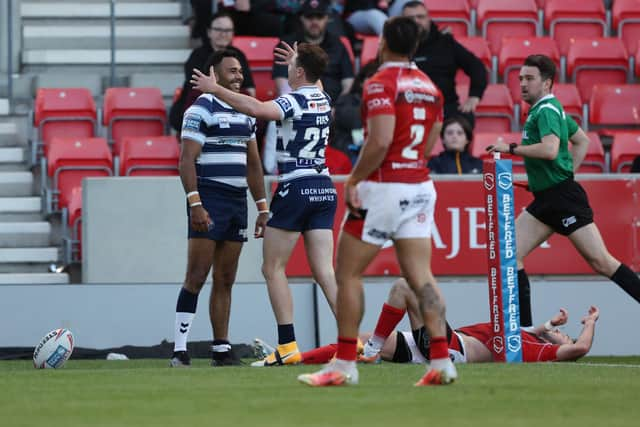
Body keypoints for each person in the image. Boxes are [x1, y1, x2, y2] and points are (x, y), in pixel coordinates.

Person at [297, 16, 456, 387]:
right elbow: (432, 137)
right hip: (419, 185)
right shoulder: (430, 87)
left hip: (385, 187)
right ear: (415, 47)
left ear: (383, 41)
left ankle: (345, 364)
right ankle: (442, 360)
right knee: (421, 277)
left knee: (348, 273)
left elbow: (381, 141)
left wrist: (355, 177)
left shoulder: (381, 82)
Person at [191, 42, 339, 366]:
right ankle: (353, 339)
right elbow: (316, 82)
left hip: (296, 186)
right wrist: (304, 63)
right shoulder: (322, 98)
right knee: (325, 270)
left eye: (292, 66)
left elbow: (257, 109)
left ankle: (287, 345)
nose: (287, 70)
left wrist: (214, 88)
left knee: (272, 268)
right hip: (325, 187)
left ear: (299, 71)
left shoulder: (294, 100)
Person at [487, 54, 640, 328]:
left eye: (529, 78)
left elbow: (548, 149)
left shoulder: (546, 110)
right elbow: (581, 141)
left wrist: (509, 148)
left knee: (602, 263)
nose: (522, 83)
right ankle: (525, 335)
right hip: (548, 199)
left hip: (563, 199)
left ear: (546, 83)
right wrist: (561, 175)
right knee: (509, 254)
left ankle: (525, 334)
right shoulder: (549, 108)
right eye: (520, 78)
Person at [170, 50, 268, 367]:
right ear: (214, 73)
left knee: (226, 278)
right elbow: (186, 160)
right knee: (197, 276)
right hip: (209, 197)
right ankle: (180, 350)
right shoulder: (200, 109)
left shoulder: (246, 112)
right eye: (232, 71)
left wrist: (262, 207)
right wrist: (195, 203)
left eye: (241, 71)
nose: (239, 76)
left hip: (237, 201)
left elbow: (254, 165)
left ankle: (221, 348)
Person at [285, 279, 600, 365]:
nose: (562, 333)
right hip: (436, 345)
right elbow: (529, 330)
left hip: (449, 348)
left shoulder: (530, 351)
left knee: (404, 287)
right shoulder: (524, 335)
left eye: (564, 335)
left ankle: (374, 349)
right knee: (354, 342)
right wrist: (546, 325)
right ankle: (295, 359)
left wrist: (589, 323)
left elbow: (579, 349)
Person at [401, 1, 487, 128]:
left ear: (428, 19)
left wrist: (474, 96)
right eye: (410, 18)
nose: (416, 21)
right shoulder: (395, 46)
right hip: (407, 108)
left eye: (420, 17)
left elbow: (476, 67)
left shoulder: (446, 43)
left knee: (462, 123)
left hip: (445, 108)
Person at [170, 12, 256, 132]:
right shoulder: (197, 56)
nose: (223, 34)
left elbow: (249, 88)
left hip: (234, 105)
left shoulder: (239, 55)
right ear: (209, 32)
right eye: (218, 29)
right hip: (203, 105)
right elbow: (198, 89)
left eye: (227, 30)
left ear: (232, 33)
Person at [272, 0, 354, 102]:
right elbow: (281, 82)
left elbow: (348, 80)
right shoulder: (289, 44)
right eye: (309, 17)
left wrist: (339, 106)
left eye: (319, 17)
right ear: (301, 18)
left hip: (335, 107)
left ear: (327, 18)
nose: (314, 22)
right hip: (299, 107)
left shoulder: (337, 44)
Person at [331, 60, 379, 163]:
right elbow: (353, 121)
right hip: (350, 152)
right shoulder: (346, 100)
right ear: (361, 82)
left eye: (380, 79)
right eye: (371, 77)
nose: (376, 82)